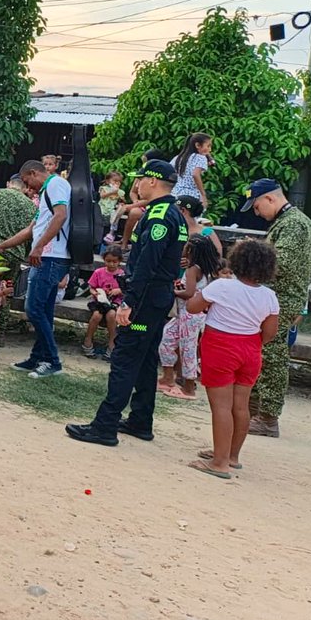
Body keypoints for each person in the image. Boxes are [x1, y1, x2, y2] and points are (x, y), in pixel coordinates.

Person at [65, 160, 186, 446]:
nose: (137, 184)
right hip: (157, 297)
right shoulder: (175, 212)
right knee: (145, 360)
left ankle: (104, 426)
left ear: (153, 182)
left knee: (126, 357)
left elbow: (146, 263)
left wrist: (128, 302)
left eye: (141, 179)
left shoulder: (159, 215)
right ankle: (140, 420)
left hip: (145, 298)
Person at [185, 239, 279, 477]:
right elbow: (270, 333)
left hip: (220, 346)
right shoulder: (269, 296)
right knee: (241, 406)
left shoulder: (222, 286)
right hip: (251, 349)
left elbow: (192, 307)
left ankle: (219, 462)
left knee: (221, 407)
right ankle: (231, 456)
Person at [239, 179, 311, 437]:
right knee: (262, 352)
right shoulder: (287, 222)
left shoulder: (294, 224)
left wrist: (252, 254)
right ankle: (254, 410)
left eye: (257, 205)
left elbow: (280, 264)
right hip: (275, 299)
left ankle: (268, 417)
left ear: (271, 199)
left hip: (281, 300)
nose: (256, 212)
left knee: (272, 356)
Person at [0, 160, 72, 378]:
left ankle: (53, 361)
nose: (28, 188)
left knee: (33, 309)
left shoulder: (55, 185)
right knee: (43, 310)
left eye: (27, 181)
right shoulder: (47, 191)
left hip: (50, 257)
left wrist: (39, 246)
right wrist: (2, 245)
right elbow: (31, 228)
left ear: (34, 173)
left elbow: (61, 215)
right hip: (47, 255)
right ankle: (38, 357)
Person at [158, 234, 220, 399]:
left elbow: (189, 293)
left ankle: (189, 387)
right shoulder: (197, 267)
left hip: (191, 316)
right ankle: (168, 377)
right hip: (183, 315)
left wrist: (171, 292)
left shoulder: (193, 269)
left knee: (188, 349)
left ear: (191, 250)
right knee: (167, 340)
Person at [81, 246, 125, 360]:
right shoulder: (98, 272)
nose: (111, 264)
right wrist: (95, 293)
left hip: (114, 302)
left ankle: (112, 342)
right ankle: (88, 339)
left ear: (119, 261)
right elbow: (91, 287)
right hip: (99, 301)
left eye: (115, 261)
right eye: (108, 261)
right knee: (96, 315)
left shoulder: (122, 275)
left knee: (111, 315)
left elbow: (126, 289)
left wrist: (118, 290)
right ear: (104, 260)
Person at [171, 132, 212, 206]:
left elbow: (169, 170)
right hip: (191, 195)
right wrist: (203, 195)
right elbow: (195, 174)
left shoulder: (178, 157)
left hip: (175, 193)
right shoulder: (201, 158)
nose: (210, 149)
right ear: (197, 145)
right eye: (208, 146)